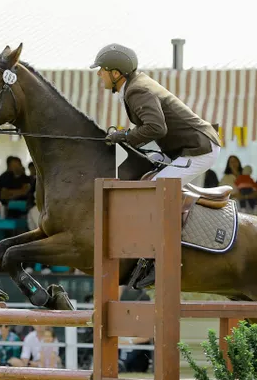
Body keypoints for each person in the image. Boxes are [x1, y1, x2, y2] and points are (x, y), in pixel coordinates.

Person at [91, 43, 220, 288]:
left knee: (155, 192)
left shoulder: (137, 90)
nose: (99, 74)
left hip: (198, 149)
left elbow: (157, 128)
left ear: (116, 73)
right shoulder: (134, 86)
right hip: (183, 148)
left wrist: (126, 137)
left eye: (102, 70)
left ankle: (160, 260)